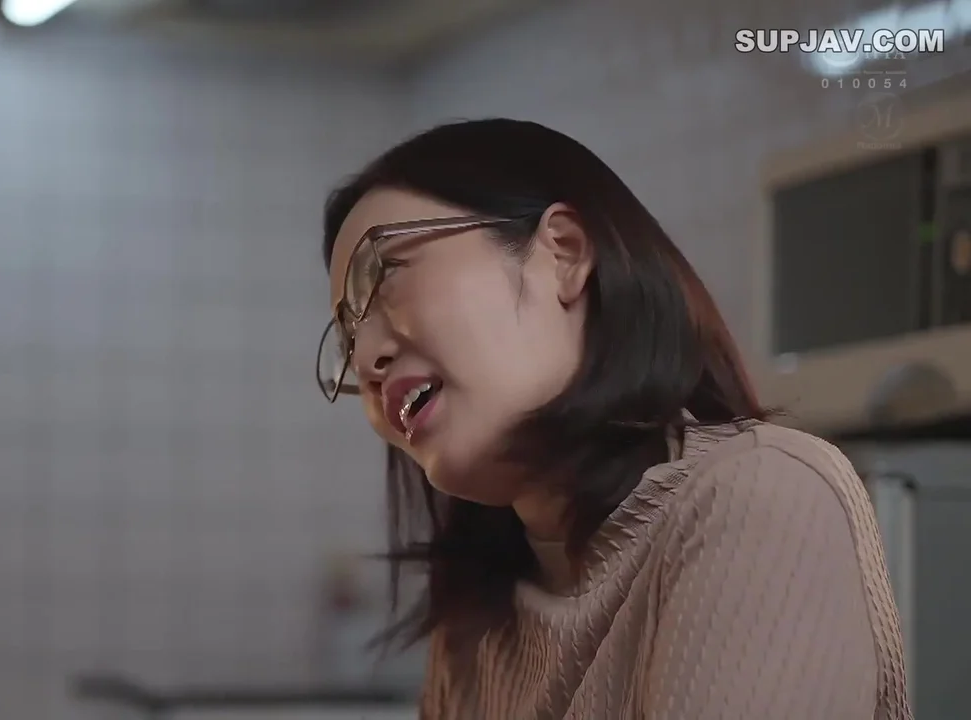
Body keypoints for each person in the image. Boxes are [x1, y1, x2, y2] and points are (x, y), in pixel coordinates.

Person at [314, 119, 911, 719]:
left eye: (385, 275)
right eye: (347, 338)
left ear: (564, 254)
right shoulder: (475, 620)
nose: (366, 360)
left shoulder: (758, 498)